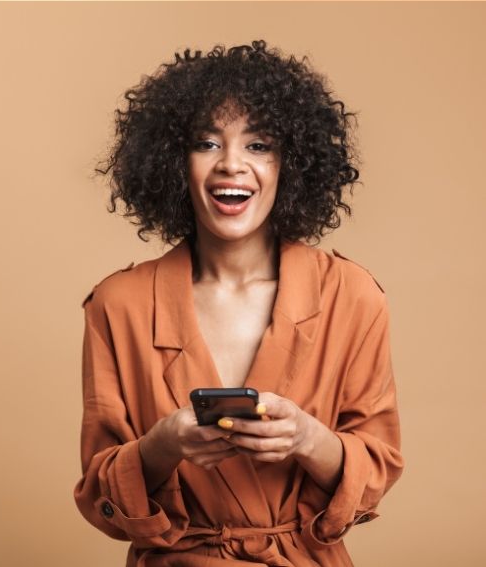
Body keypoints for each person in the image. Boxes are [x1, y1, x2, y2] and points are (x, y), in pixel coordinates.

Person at [74, 41, 403, 567]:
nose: (231, 165)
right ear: (172, 162)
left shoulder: (351, 295)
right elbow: (99, 499)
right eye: (206, 143)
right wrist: (163, 444)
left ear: (291, 163)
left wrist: (308, 439)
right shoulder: (118, 305)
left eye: (258, 145)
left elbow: (377, 473)